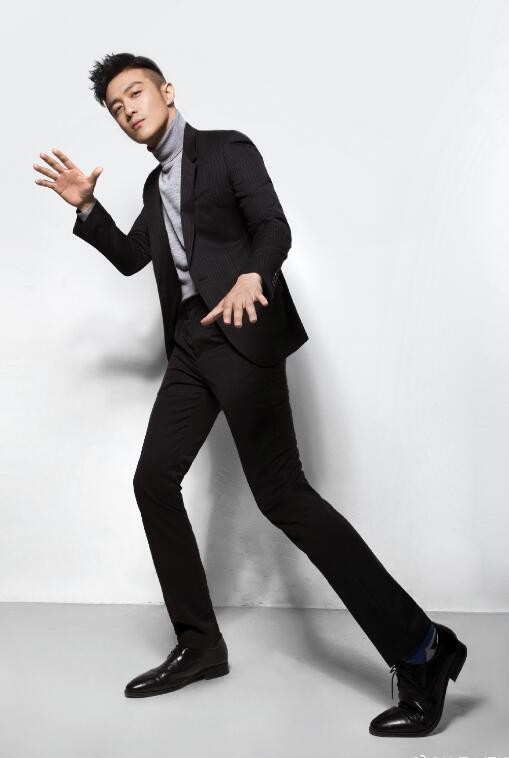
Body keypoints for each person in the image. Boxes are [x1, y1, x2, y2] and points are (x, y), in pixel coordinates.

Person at [33, 52, 467, 737]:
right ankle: (200, 644)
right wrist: (86, 207)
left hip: (241, 332)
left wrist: (251, 277)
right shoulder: (152, 185)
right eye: (115, 108)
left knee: (283, 497)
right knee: (153, 480)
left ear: (166, 91)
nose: (128, 110)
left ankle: (422, 649)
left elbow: (273, 227)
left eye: (135, 93)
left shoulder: (226, 150)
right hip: (189, 347)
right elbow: (133, 258)